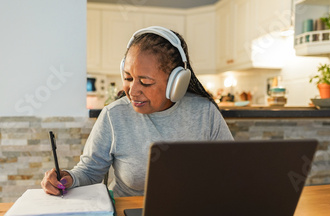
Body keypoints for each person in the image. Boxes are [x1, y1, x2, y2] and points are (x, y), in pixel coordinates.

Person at [41, 26, 233, 197]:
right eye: (128, 78)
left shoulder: (205, 114)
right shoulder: (113, 115)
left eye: (145, 82)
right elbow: (90, 171)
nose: (132, 91)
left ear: (177, 82)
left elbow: (230, 169)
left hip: (192, 213)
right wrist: (67, 178)